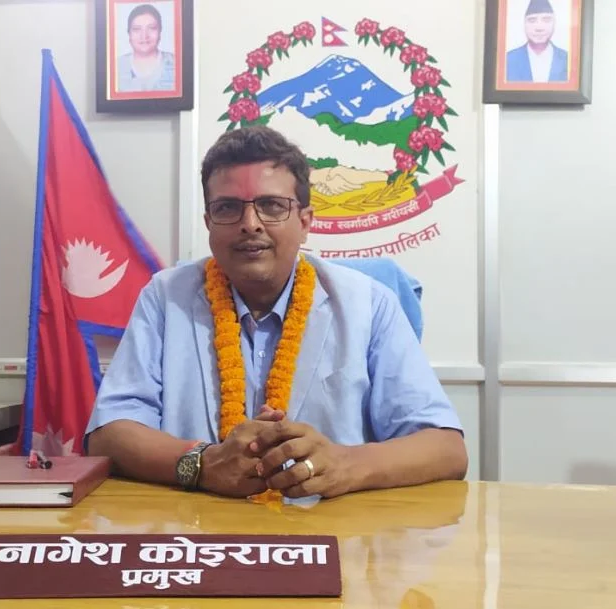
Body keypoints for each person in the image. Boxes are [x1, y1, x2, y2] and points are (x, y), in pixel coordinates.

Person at [85, 126, 467, 500]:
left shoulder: (369, 303)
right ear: (208, 224)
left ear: (305, 222)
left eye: (271, 206)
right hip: (197, 528)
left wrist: (346, 465)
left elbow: (446, 449)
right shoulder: (165, 298)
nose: (250, 224)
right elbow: (108, 435)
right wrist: (203, 464)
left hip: (332, 529)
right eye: (227, 208)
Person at [115, 4, 175, 92]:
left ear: (160, 31)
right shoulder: (116, 67)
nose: (144, 36)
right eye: (136, 29)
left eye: (152, 28)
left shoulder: (176, 63)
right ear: (129, 33)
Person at [505, 0, 569, 83]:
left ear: (554, 23)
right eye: (532, 20)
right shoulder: (508, 60)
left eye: (546, 20)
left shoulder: (568, 60)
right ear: (524, 24)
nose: (539, 27)